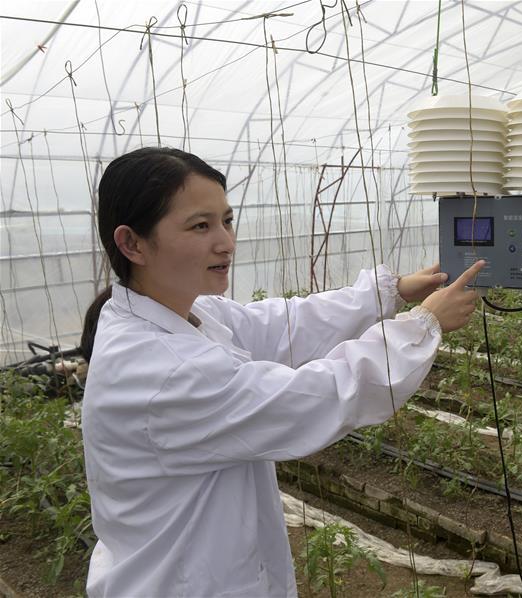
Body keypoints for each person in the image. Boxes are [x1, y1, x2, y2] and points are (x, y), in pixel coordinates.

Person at [79, 146, 485, 597]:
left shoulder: (187, 314)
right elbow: (318, 397)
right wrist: (420, 326)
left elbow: (284, 324)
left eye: (226, 220)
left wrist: (387, 294)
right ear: (132, 243)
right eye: (200, 225)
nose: (225, 242)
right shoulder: (163, 370)